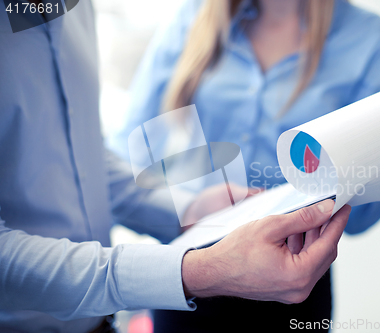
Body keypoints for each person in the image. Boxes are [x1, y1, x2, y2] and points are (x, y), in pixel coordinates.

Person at [0, 1, 351, 333]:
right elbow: (134, 143)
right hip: (190, 274)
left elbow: (85, 157)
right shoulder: (196, 15)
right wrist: (197, 269)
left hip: (106, 317)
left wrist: (188, 208)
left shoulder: (73, 10)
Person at [109, 0, 380, 331]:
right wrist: (184, 208)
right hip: (194, 268)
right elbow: (126, 156)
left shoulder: (371, 39)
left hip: (293, 283)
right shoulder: (196, 15)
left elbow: (364, 213)